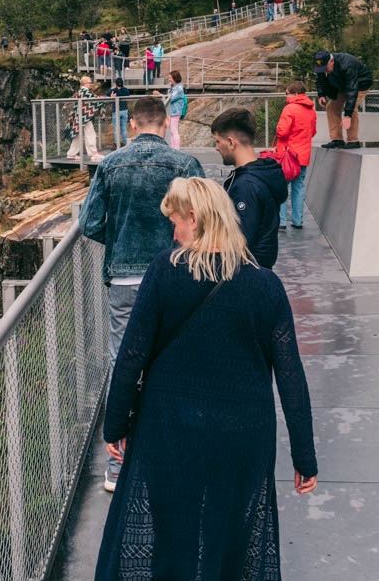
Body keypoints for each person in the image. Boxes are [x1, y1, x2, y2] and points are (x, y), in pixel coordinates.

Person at [86, 177, 317, 581]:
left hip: (172, 435)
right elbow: (290, 374)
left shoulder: (165, 275)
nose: (172, 232)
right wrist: (304, 456)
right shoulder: (264, 285)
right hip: (242, 440)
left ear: (196, 219)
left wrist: (115, 425)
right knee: (228, 535)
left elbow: (132, 356)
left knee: (171, 557)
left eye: (175, 220)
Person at [79, 95, 205, 491]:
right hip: (178, 277)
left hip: (127, 281)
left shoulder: (111, 164)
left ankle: (119, 467)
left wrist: (117, 242)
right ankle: (177, 457)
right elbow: (205, 219)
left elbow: (89, 223)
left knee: (124, 363)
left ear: (131, 125)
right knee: (178, 361)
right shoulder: (185, 164)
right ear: (166, 123)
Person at [211, 107, 287, 268]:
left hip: (246, 276)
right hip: (259, 273)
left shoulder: (246, 186)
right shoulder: (260, 175)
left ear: (231, 142)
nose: (217, 147)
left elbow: (239, 243)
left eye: (218, 141)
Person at [275, 81, 317, 229]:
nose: (286, 96)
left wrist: (278, 128)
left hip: (288, 155)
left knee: (282, 187)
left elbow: (282, 132)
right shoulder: (311, 110)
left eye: (287, 93)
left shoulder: (289, 108)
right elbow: (312, 132)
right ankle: (298, 221)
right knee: (298, 188)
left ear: (295, 94)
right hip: (303, 156)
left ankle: (281, 221)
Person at [314, 50, 373, 149]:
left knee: (351, 108)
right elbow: (319, 79)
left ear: (331, 61)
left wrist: (347, 116)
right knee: (331, 108)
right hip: (342, 85)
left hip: (360, 84)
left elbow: (352, 90)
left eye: (326, 69)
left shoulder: (347, 64)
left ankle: (353, 141)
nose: (325, 71)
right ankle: (337, 140)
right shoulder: (321, 64)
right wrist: (321, 94)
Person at [66, 76, 105, 161]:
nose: (91, 84)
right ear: (85, 83)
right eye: (90, 82)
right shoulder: (85, 91)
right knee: (90, 134)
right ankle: (94, 154)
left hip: (80, 116)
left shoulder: (81, 91)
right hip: (85, 117)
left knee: (78, 136)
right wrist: (104, 98)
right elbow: (95, 100)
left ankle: (71, 154)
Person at [156, 69, 186, 149]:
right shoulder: (172, 87)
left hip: (175, 112)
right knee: (171, 131)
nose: (169, 80)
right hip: (171, 112)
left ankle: (176, 149)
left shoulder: (179, 88)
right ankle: (172, 147)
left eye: (170, 78)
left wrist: (160, 94)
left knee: (174, 131)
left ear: (175, 78)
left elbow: (171, 98)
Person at [107, 77, 131, 146]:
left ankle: (116, 143)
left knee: (116, 128)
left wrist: (112, 89)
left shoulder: (114, 90)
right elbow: (128, 94)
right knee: (124, 127)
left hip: (116, 111)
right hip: (124, 110)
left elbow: (107, 93)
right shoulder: (126, 90)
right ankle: (124, 142)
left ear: (116, 84)